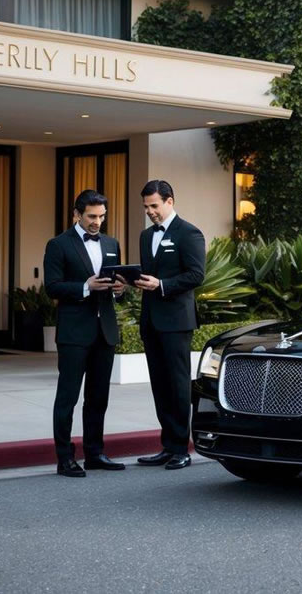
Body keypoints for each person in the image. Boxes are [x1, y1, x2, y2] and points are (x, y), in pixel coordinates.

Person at [44, 189, 127, 478]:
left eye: (102, 216)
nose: (97, 222)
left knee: (98, 397)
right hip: (74, 332)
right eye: (92, 216)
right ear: (77, 214)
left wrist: (119, 290)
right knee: (67, 397)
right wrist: (85, 286)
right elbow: (52, 287)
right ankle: (64, 458)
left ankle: (95, 453)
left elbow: (116, 284)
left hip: (104, 331)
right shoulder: (58, 245)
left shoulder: (111, 243)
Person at [133, 180, 206, 470]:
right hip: (151, 320)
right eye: (146, 207)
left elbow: (196, 275)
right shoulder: (145, 236)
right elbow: (149, 274)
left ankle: (181, 449)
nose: (150, 211)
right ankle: (167, 446)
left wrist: (162, 285)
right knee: (160, 385)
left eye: (154, 205)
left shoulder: (189, 233)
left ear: (169, 201)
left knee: (177, 385)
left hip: (176, 322)